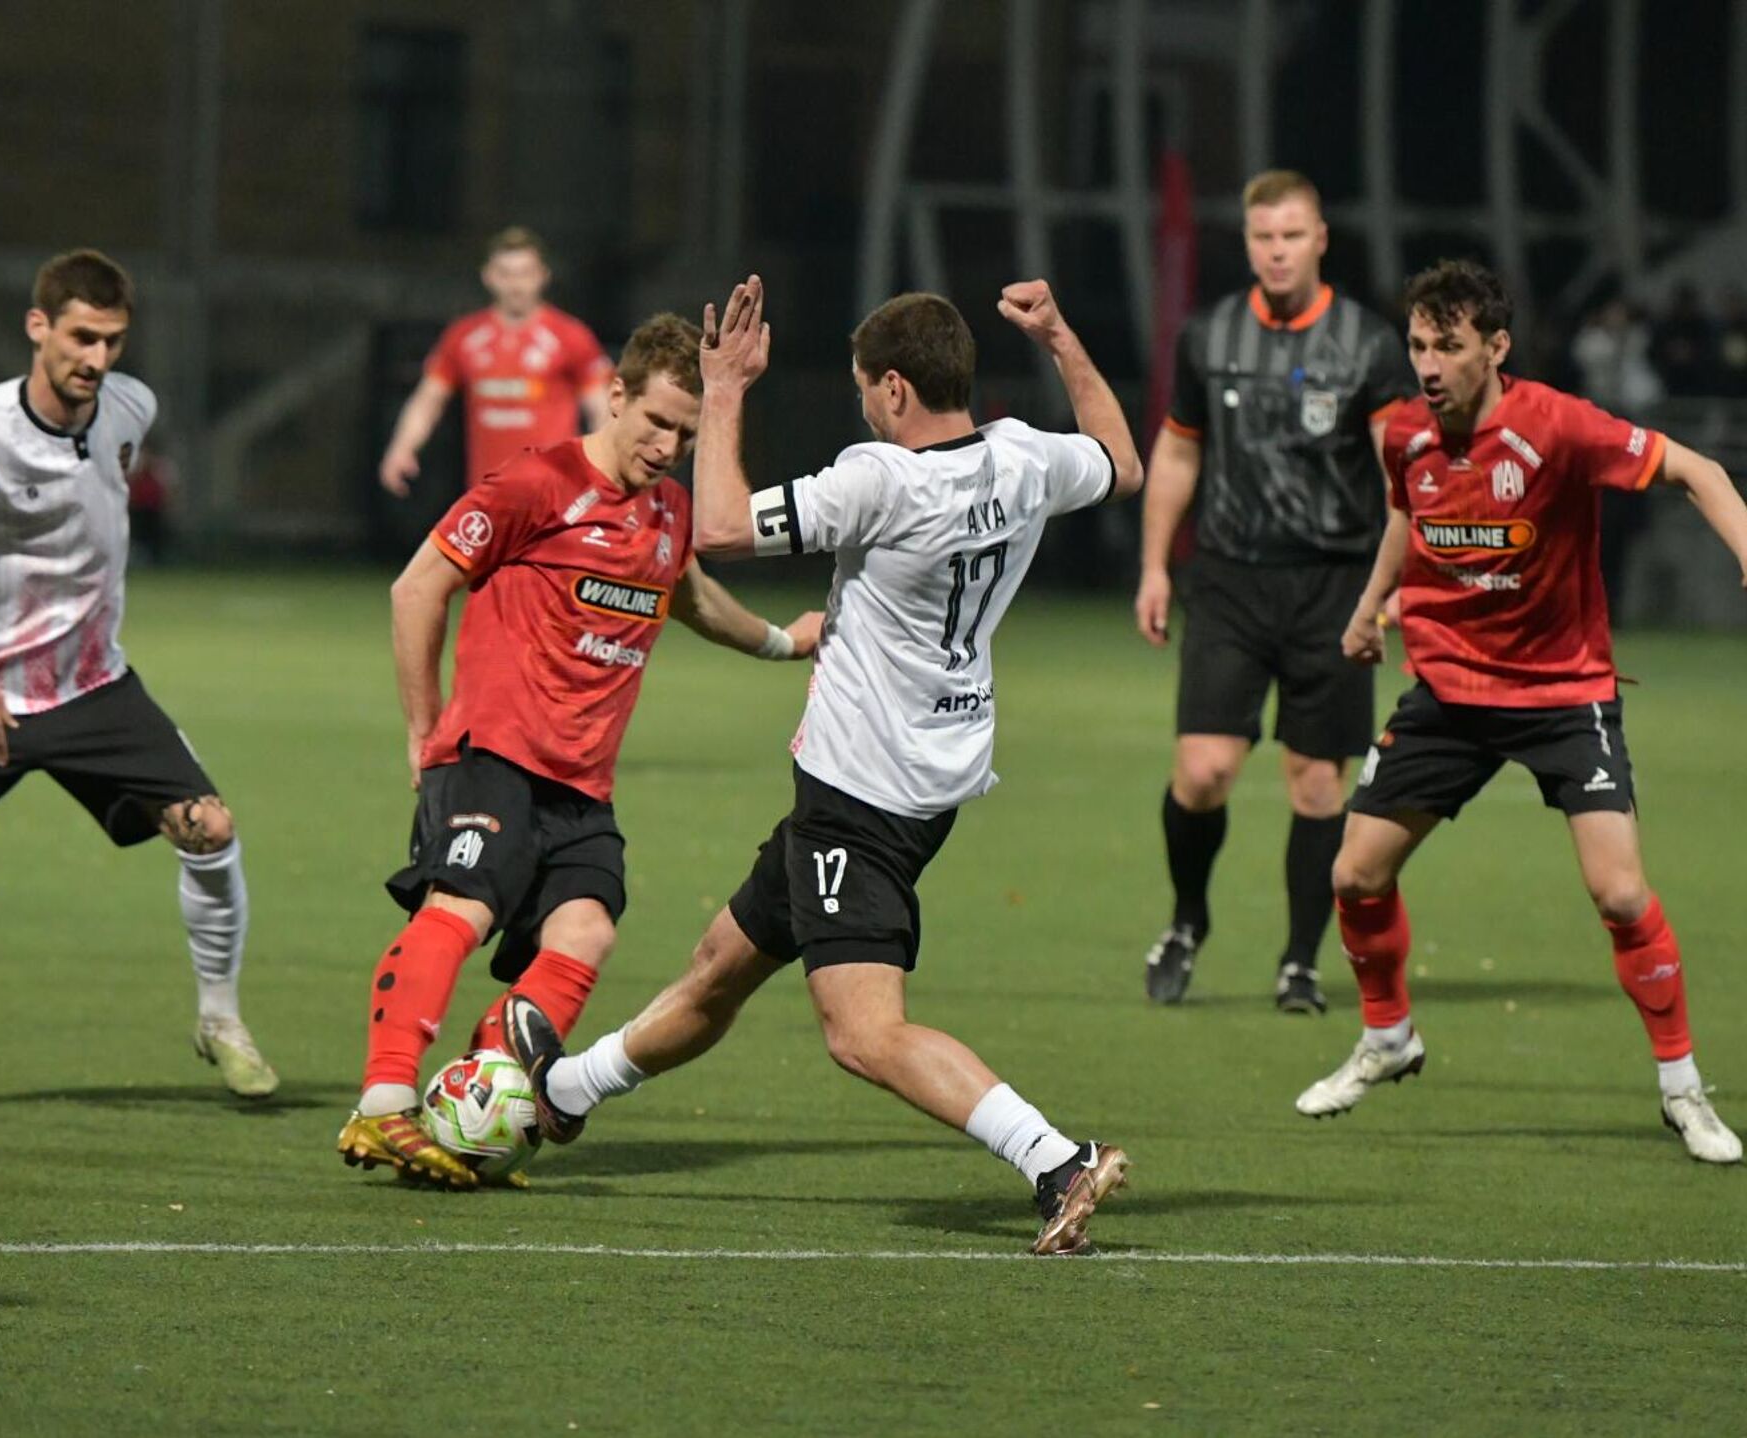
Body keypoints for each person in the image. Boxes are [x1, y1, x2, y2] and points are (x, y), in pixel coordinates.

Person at [501, 276, 1149, 1256]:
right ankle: (564, 1090)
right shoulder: (1023, 458)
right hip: (929, 776)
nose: (862, 408)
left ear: (894, 388)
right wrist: (1061, 335)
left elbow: (720, 528)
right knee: (720, 965)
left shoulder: (879, 480)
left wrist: (725, 388)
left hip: (862, 795)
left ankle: (1058, 1158)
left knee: (862, 1032)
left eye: (862, 389)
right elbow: (1122, 462)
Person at [336, 312, 821, 1190]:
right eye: (657, 423)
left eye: (686, 433)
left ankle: (471, 1116)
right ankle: (383, 1103)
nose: (669, 447)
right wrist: (423, 728)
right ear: (615, 395)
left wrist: (784, 642)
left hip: (581, 786)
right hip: (492, 752)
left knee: (587, 931)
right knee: (463, 907)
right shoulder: (538, 483)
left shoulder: (669, 512)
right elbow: (418, 587)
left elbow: (695, 600)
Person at [1297, 259, 1747, 1165]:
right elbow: (1405, 517)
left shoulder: (1560, 426)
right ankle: (1388, 1038)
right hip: (1450, 692)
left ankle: (1682, 1088)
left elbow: (1697, 468)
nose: (1428, 365)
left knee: (1620, 893)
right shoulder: (1407, 433)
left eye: (1448, 346)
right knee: (1355, 876)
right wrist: (1369, 606)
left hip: (1561, 693)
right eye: (1417, 345)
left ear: (1496, 347)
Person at [0, 249, 277, 1096]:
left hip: (91, 688)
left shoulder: (131, 408)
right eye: (80, 338)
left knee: (210, 830)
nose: (96, 359)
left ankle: (220, 1018)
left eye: (112, 341)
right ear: (38, 327)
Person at [1135, 169, 1417, 1012]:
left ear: (1321, 239)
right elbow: (1178, 452)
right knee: (1203, 771)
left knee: (1317, 784)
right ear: (1248, 243)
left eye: (1293, 235)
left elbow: (1401, 475)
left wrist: (1399, 583)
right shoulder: (1209, 336)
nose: (1278, 251)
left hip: (1334, 584)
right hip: (1229, 579)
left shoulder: (1367, 344)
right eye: (1264, 237)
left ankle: (1300, 961)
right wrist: (1155, 565)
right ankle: (1187, 919)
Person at [377, 227, 614, 499]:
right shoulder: (463, 337)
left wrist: (605, 467)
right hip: (487, 496)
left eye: (525, 273)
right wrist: (402, 448)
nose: (516, 285)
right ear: (488, 276)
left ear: (542, 275)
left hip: (553, 495)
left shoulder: (570, 336)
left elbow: (601, 408)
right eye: (506, 274)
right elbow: (428, 400)